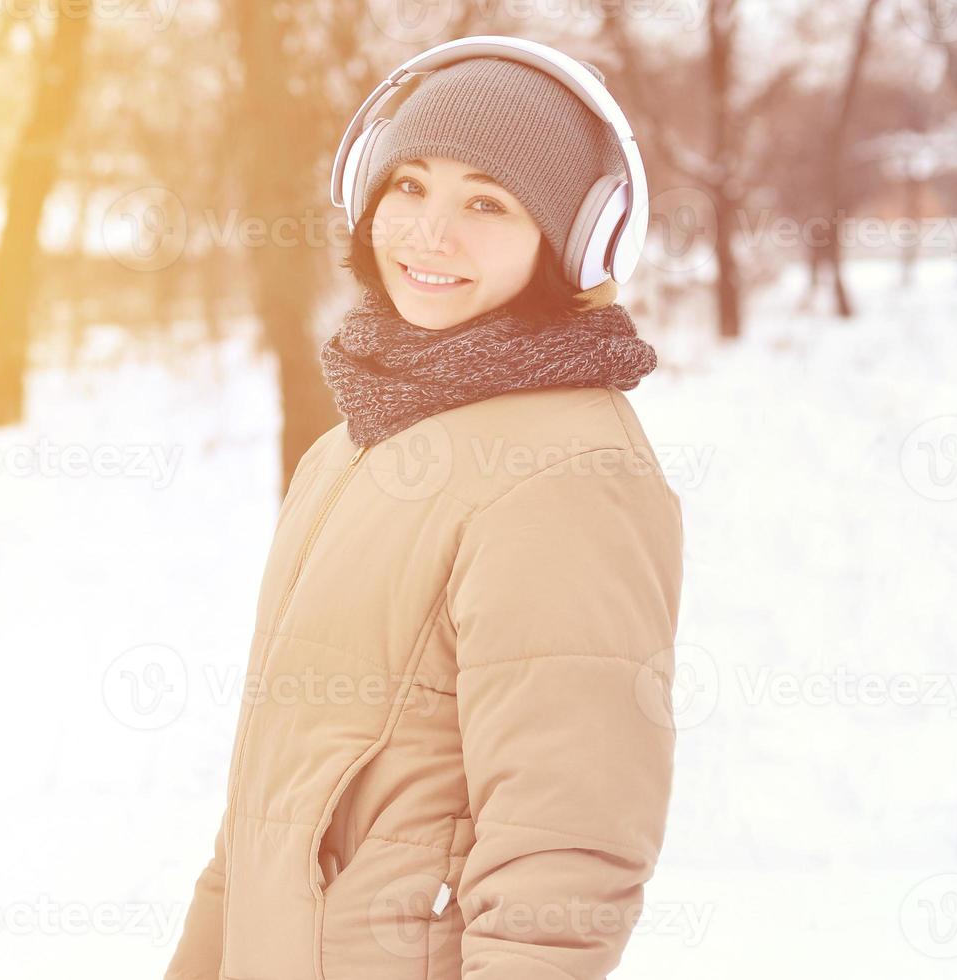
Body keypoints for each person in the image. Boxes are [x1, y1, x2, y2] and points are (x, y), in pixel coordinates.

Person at [164, 40, 684, 980]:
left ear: (576, 236)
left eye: (487, 202)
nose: (427, 234)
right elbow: (261, 825)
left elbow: (564, 860)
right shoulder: (349, 450)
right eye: (408, 185)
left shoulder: (568, 474)